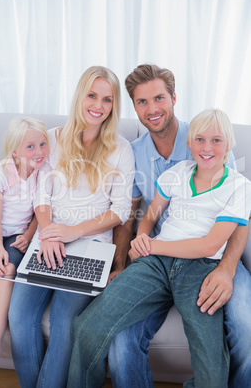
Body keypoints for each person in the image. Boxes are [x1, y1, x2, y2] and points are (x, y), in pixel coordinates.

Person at [67, 108, 251, 388]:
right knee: (87, 326)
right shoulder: (178, 173)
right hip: (155, 264)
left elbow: (210, 244)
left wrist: (153, 245)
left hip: (201, 269)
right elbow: (149, 215)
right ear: (189, 143)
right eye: (200, 139)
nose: (207, 147)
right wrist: (141, 237)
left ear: (229, 144)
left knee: (211, 368)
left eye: (216, 140)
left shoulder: (239, 187)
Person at [107, 64, 251, 388]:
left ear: (173, 98)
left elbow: (239, 214)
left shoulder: (205, 136)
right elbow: (133, 215)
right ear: (134, 107)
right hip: (160, 254)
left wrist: (227, 268)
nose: (152, 109)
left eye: (159, 98)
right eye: (142, 102)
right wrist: (125, 260)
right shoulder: (134, 153)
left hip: (214, 254)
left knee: (247, 325)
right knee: (121, 340)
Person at [8, 66, 135, 388]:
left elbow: (120, 210)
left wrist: (73, 232)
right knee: (19, 318)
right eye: (92, 95)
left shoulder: (121, 148)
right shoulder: (50, 138)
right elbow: (42, 192)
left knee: (65, 323)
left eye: (107, 99)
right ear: (80, 96)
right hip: (48, 238)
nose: (98, 105)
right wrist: (49, 231)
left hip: (91, 246)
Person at [0, 117, 49, 388]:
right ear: (15, 152)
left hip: (18, 237)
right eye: (30, 147)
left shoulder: (43, 173)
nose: (39, 152)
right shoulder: (0, 172)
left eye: (42, 144)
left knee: (8, 271)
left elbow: (40, 210)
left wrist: (30, 234)